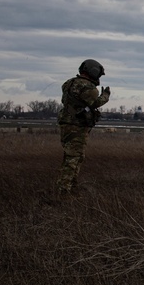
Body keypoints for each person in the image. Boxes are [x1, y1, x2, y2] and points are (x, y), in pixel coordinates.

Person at [55, 59, 111, 195]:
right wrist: (105, 96)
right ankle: (64, 190)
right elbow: (94, 103)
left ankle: (70, 186)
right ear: (93, 72)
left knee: (72, 156)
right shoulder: (87, 87)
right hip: (77, 125)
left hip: (66, 123)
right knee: (74, 157)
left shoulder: (68, 83)